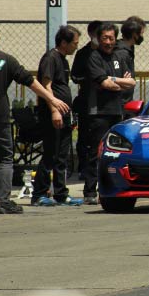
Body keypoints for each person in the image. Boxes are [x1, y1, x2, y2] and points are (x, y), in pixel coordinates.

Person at [0, 21, 70, 215]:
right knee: (6, 158)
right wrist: (51, 98)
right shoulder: (6, 59)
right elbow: (30, 81)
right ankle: (4, 202)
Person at [81, 22, 135, 205]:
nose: (108, 42)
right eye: (105, 38)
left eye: (111, 38)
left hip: (118, 111)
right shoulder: (93, 57)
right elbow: (104, 83)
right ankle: (90, 191)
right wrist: (118, 82)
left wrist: (112, 80)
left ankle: (113, 187)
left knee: (117, 153)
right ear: (98, 38)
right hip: (98, 112)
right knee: (96, 151)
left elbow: (132, 82)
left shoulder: (121, 55)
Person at [31, 25, 83, 207]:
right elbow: (46, 86)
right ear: (63, 42)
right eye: (74, 43)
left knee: (62, 156)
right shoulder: (50, 58)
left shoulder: (64, 60)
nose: (76, 46)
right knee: (51, 154)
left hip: (65, 114)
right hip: (53, 115)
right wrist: (54, 110)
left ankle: (61, 193)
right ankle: (38, 194)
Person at [71, 20, 102, 180]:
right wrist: (90, 79)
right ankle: (84, 168)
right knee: (84, 136)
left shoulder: (109, 52)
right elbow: (75, 75)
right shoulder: (83, 53)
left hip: (105, 102)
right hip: (87, 101)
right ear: (91, 35)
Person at [115, 16, 146, 107]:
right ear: (134, 34)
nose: (141, 37)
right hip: (120, 103)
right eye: (141, 34)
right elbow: (124, 79)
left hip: (125, 100)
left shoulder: (129, 49)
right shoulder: (121, 53)